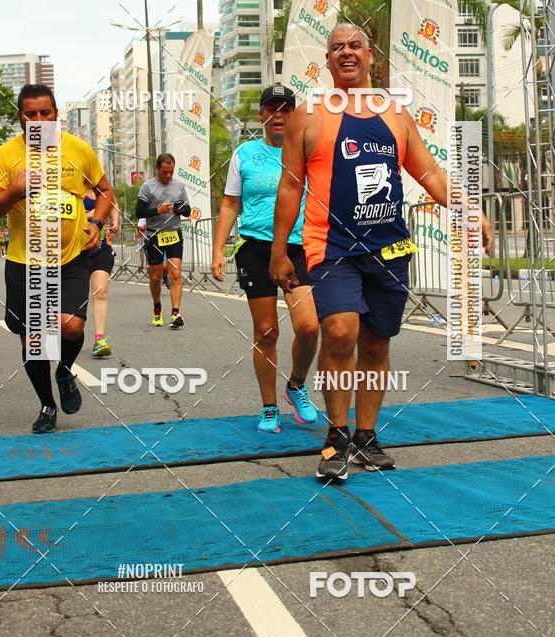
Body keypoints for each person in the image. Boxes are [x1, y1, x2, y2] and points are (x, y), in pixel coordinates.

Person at [270, 24, 494, 480]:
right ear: (327, 61)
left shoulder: (396, 115)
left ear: (370, 56)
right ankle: (336, 436)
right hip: (330, 246)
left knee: (376, 341)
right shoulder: (307, 116)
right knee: (338, 332)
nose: (346, 53)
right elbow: (291, 187)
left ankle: (367, 435)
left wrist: (470, 210)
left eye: (355, 46)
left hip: (389, 246)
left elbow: (429, 174)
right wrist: (279, 252)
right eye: (337, 48)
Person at [0, 83, 114, 433]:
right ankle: (47, 405)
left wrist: (97, 222)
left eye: (45, 112)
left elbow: (104, 190)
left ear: (57, 113)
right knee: (33, 340)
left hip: (70, 258)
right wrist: (14, 189)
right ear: (20, 117)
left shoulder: (77, 149)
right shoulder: (6, 155)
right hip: (25, 262)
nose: (39, 120)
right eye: (31, 114)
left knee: (71, 326)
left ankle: (65, 370)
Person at [211, 84, 319, 433]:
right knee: (266, 331)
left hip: (296, 247)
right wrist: (217, 250)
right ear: (261, 114)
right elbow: (230, 204)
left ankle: (297, 385)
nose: (279, 115)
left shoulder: (306, 151)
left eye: (286, 108)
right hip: (255, 247)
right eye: (271, 108)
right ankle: (269, 406)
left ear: (294, 114)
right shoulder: (244, 154)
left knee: (309, 326)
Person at [136, 154, 191, 328]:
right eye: (165, 172)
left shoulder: (179, 186)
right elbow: (139, 212)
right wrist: (158, 210)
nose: (168, 176)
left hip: (174, 233)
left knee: (175, 274)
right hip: (154, 236)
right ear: (158, 169)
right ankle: (157, 307)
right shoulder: (147, 187)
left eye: (171, 172)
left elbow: (188, 210)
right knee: (155, 276)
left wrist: (180, 209)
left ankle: (176, 313)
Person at [84, 182, 119, 357]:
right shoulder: (70, 188)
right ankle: (65, 337)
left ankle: (99, 340)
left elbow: (112, 203)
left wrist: (115, 221)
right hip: (75, 253)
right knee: (76, 298)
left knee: (100, 292)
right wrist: (87, 216)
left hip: (101, 249)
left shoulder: (102, 189)